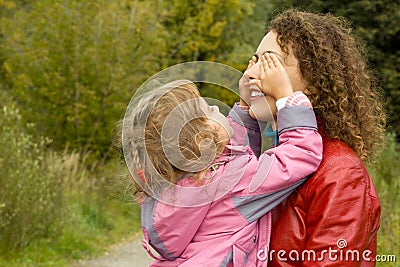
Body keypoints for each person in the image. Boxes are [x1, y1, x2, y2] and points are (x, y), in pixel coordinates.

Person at [122, 53, 323, 266]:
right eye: (209, 109)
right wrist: (288, 100)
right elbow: (299, 157)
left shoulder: (186, 181)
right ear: (203, 141)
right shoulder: (228, 181)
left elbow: (229, 152)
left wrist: (245, 105)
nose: (217, 108)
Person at [241, 8, 386, 266]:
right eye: (254, 61)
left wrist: (286, 100)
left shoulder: (340, 174)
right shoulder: (272, 157)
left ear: (313, 81)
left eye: (270, 62)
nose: (251, 74)